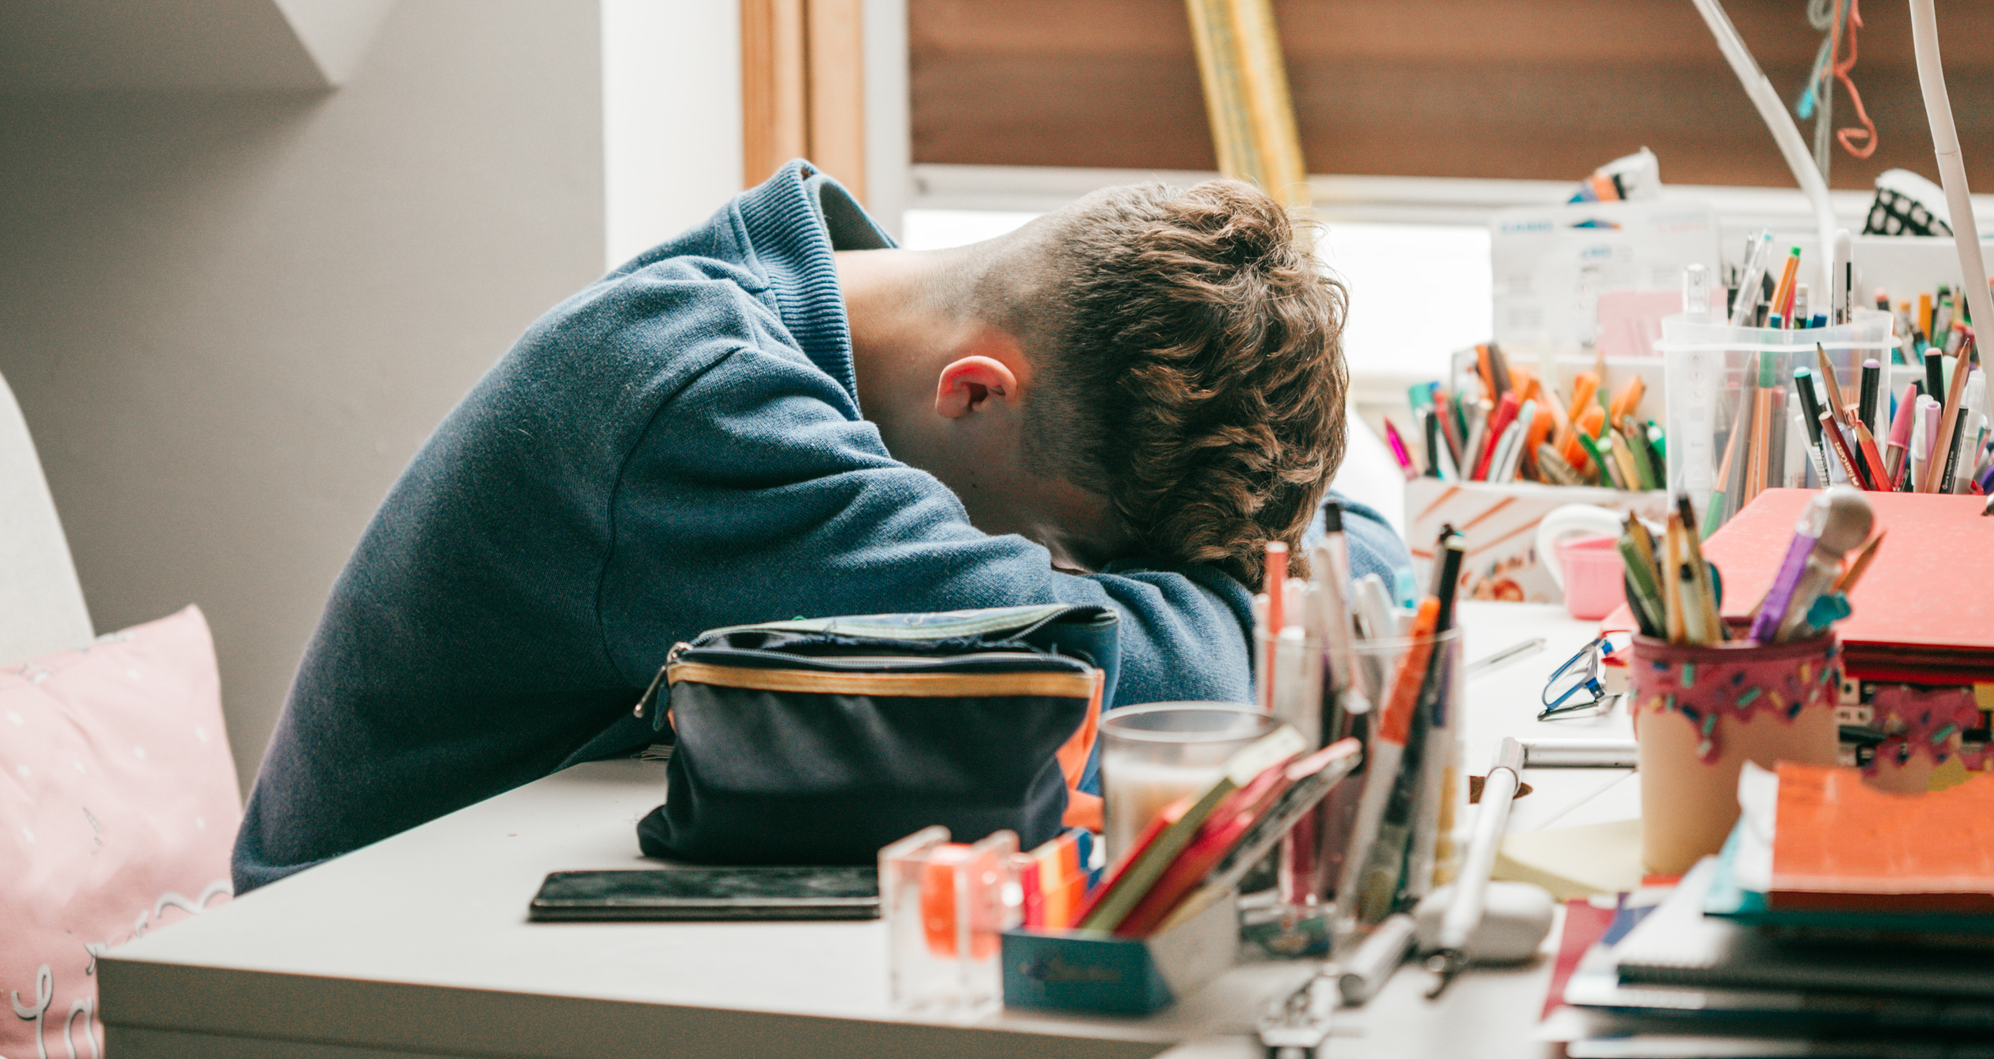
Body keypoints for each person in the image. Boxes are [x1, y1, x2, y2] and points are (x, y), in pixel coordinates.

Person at [233, 162, 1406, 891]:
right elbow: (1085, 673)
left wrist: (1316, 558)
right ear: (978, 391)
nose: (1052, 574)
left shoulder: (875, 329)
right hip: (333, 982)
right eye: (1063, 550)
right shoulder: (694, 405)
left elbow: (1359, 549)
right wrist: (1304, 600)